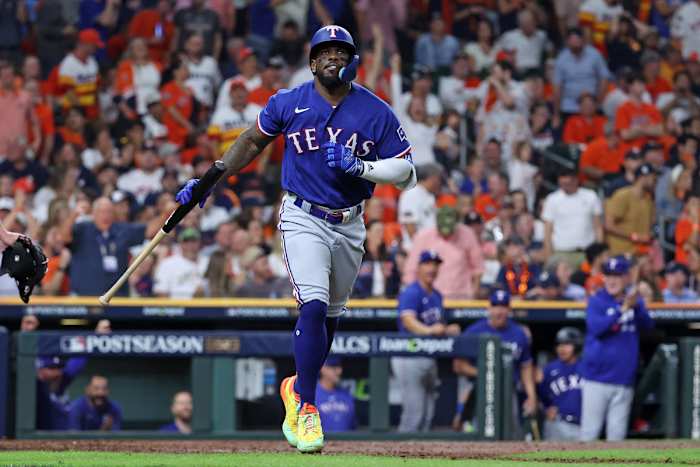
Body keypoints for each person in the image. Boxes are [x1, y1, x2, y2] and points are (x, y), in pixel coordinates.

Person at [176, 25, 416, 453]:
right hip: (303, 215)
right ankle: (306, 404)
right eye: (324, 52)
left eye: (341, 52)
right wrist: (209, 179)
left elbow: (406, 172)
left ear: (353, 61)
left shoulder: (375, 110)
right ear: (311, 63)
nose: (332, 58)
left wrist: (360, 167)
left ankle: (296, 386)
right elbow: (251, 141)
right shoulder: (289, 101)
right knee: (314, 303)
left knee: (331, 319)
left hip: (350, 223)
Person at [580, 256, 654, 441]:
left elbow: (648, 327)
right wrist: (621, 310)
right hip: (596, 380)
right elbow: (597, 328)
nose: (612, 280)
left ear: (626, 278)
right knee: (589, 435)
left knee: (617, 439)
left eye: (617, 276)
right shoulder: (597, 301)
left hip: (623, 380)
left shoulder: (633, 301)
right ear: (603, 278)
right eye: (609, 275)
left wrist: (636, 307)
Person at [453, 289, 537, 435]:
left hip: (507, 389)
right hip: (478, 389)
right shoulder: (474, 331)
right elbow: (459, 366)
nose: (499, 311)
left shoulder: (518, 333)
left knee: (510, 433)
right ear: (489, 308)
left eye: (503, 306)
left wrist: (531, 395)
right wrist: (489, 374)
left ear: (509, 309)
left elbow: (526, 366)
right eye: (495, 306)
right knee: (472, 433)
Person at [392, 250, 460, 433]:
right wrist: (431, 330)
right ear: (419, 267)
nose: (432, 268)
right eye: (428, 264)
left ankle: (420, 457)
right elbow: (408, 321)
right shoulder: (411, 292)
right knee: (414, 414)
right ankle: (398, 456)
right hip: (409, 354)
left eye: (435, 264)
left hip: (428, 355)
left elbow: (436, 324)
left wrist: (447, 329)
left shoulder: (437, 295)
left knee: (428, 414)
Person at [59, 197, 172, 297]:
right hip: (84, 297)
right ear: (93, 213)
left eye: (109, 212)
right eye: (101, 212)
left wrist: (166, 214)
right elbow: (64, 236)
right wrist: (74, 214)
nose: (106, 215)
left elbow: (149, 230)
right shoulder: (82, 228)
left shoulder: (121, 230)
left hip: (116, 298)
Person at [403, 206, 484, 300]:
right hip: (429, 297)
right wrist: (415, 296)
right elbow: (410, 271)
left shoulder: (467, 234)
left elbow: (478, 268)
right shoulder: (423, 237)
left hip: (461, 296)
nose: (446, 232)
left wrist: (474, 292)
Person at [542, 168, 604, 269]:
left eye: (569, 181)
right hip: (562, 253)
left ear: (576, 180)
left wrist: (599, 253)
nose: (566, 185)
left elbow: (598, 227)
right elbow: (547, 231)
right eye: (563, 182)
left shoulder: (590, 196)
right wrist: (549, 255)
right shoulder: (552, 199)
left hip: (587, 252)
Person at [538, 327, 583, 441]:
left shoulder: (587, 368)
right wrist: (546, 408)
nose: (562, 348)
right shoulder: (549, 369)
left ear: (576, 346)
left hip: (584, 425)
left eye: (567, 344)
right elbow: (541, 393)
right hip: (558, 423)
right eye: (559, 344)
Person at [604, 163, 657, 256]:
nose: (655, 181)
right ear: (643, 178)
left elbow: (651, 224)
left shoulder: (648, 199)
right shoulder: (622, 195)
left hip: (640, 253)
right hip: (620, 252)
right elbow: (609, 225)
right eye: (653, 178)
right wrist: (634, 236)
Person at [56, 28, 103, 119]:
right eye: (94, 45)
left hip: (91, 109)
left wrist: (97, 110)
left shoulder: (93, 61)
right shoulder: (68, 63)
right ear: (85, 44)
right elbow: (68, 93)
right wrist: (82, 114)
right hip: (73, 112)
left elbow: (96, 89)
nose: (96, 48)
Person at [153, 227, 205, 298]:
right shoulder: (168, 264)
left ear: (199, 243)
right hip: (177, 306)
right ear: (180, 244)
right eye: (186, 241)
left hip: (206, 305)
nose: (190, 245)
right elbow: (161, 292)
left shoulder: (208, 261)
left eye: (193, 241)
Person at [397, 163, 442, 234]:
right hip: (416, 244)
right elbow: (410, 224)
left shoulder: (429, 195)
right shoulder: (411, 193)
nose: (440, 183)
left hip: (431, 243)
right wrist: (418, 244)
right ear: (433, 178)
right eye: (439, 179)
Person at [315, 357, 356, 432]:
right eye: (333, 367)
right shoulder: (311, 394)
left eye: (339, 366)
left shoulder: (346, 395)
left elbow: (353, 427)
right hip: (320, 442)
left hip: (345, 442)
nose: (339, 371)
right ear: (322, 368)